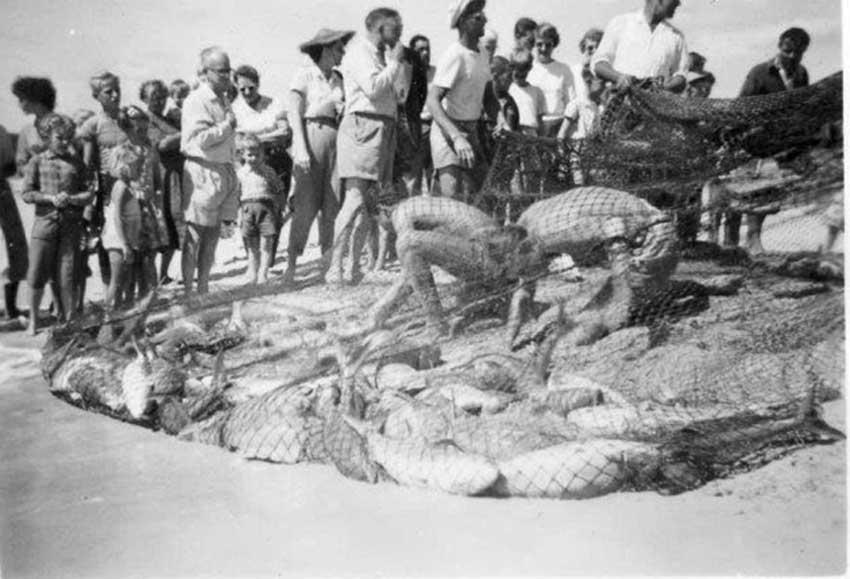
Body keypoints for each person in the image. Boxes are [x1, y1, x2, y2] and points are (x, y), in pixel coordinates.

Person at [324, 8, 407, 286]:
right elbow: (373, 88)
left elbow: (394, 94)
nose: (399, 34)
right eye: (395, 29)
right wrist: (395, 64)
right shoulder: (359, 52)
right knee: (355, 199)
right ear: (380, 28)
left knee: (369, 204)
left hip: (383, 127)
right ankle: (335, 267)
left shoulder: (381, 56)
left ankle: (354, 268)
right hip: (363, 126)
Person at [284, 28, 353, 282]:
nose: (343, 52)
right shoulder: (305, 75)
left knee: (332, 203)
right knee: (305, 205)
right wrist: (300, 147)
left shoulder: (338, 78)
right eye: (338, 48)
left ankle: (328, 264)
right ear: (325, 49)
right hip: (311, 137)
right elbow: (294, 111)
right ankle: (290, 265)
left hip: (336, 139)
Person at [735, 27, 811, 254]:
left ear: (803, 52)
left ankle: (753, 239)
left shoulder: (802, 74)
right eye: (787, 50)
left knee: (771, 195)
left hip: (784, 143)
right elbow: (742, 105)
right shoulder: (760, 72)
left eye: (797, 52)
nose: (791, 56)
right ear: (780, 46)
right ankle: (752, 239)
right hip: (758, 141)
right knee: (755, 191)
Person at [20, 114, 92, 334]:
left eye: (68, 138)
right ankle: (34, 319)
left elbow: (89, 193)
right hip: (45, 224)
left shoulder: (77, 163)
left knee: (67, 275)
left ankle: (67, 320)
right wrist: (50, 198)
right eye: (59, 137)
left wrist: (71, 199)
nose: (64, 142)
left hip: (70, 225)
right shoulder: (37, 161)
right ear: (47, 137)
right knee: (37, 273)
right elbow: (26, 193)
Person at [180, 46, 241, 295]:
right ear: (205, 73)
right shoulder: (197, 100)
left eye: (229, 70)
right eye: (221, 71)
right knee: (195, 236)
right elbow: (198, 139)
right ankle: (187, 292)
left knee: (213, 235)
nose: (227, 76)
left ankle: (203, 287)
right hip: (202, 171)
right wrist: (226, 126)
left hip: (222, 171)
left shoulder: (224, 99)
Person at [427, 0, 498, 203]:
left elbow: (489, 97)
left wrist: (500, 119)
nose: (484, 19)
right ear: (463, 22)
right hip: (447, 133)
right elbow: (433, 101)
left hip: (472, 131)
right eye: (478, 17)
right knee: (452, 198)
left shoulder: (483, 54)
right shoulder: (454, 55)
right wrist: (456, 137)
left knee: (485, 195)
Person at [232, 64, 293, 270]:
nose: (248, 92)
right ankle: (254, 263)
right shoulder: (235, 108)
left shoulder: (273, 103)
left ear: (258, 84)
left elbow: (284, 132)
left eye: (251, 87)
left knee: (274, 210)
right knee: (249, 212)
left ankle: (268, 262)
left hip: (275, 161)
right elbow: (234, 140)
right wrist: (254, 143)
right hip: (248, 165)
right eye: (242, 89)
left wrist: (256, 140)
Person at [79, 71, 131, 288]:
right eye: (108, 91)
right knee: (107, 240)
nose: (115, 95)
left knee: (131, 237)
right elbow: (87, 165)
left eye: (117, 89)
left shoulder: (128, 118)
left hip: (131, 184)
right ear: (96, 95)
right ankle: (109, 287)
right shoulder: (93, 124)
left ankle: (127, 293)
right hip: (106, 187)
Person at [592, 0, 689, 94]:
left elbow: (681, 76)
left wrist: (663, 88)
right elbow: (599, 63)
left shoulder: (676, 37)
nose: (678, 3)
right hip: (620, 102)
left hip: (654, 106)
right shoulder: (620, 23)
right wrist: (619, 78)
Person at [140, 79, 183, 284]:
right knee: (159, 224)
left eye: (161, 97)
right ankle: (151, 276)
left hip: (175, 176)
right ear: (144, 99)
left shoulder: (171, 119)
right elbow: (163, 145)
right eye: (153, 97)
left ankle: (164, 273)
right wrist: (187, 133)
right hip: (157, 177)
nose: (158, 101)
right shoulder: (145, 121)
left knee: (174, 222)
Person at [124, 105, 165, 301]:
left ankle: (150, 296)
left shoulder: (150, 149)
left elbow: (157, 180)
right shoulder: (122, 150)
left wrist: (157, 202)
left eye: (144, 128)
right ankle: (131, 299)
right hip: (130, 209)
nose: (140, 132)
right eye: (136, 128)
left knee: (151, 254)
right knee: (132, 256)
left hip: (148, 208)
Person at [237, 133, 287, 284]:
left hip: (266, 209)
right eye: (250, 155)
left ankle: (263, 273)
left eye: (257, 155)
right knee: (251, 245)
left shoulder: (268, 171)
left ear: (263, 154)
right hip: (247, 209)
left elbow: (279, 189)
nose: (253, 158)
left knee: (267, 243)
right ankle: (252, 271)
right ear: (243, 154)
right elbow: (236, 195)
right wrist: (238, 214)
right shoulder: (240, 174)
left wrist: (281, 207)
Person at [100, 143, 144, 312]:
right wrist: (125, 244)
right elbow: (116, 217)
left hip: (127, 238)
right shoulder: (121, 187)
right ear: (124, 166)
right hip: (118, 240)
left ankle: (118, 312)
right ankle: (108, 317)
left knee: (125, 280)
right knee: (116, 281)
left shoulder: (128, 186)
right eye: (135, 165)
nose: (138, 169)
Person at [527, 22, 577, 138]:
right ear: (534, 45)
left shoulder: (564, 70)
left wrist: (562, 132)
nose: (543, 49)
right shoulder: (528, 69)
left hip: (558, 126)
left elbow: (572, 102)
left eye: (548, 45)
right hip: (533, 127)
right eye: (539, 44)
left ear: (554, 45)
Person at [403, 34, 436, 196]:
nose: (425, 53)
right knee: (413, 178)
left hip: (436, 128)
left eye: (427, 49)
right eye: (420, 50)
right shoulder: (407, 74)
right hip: (416, 129)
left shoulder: (437, 73)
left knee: (435, 178)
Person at [11, 77, 56, 170]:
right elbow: (20, 162)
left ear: (35, 99)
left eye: (21, 99)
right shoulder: (27, 130)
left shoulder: (63, 124)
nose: (19, 104)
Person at [509, 48, 546, 136]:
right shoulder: (508, 89)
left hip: (531, 133)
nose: (520, 73)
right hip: (512, 132)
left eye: (524, 69)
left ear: (529, 68)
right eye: (517, 69)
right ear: (511, 67)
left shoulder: (537, 91)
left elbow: (540, 120)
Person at [572, 28, 604, 105]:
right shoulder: (573, 72)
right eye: (590, 48)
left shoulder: (609, 71)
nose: (595, 51)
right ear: (583, 49)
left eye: (599, 48)